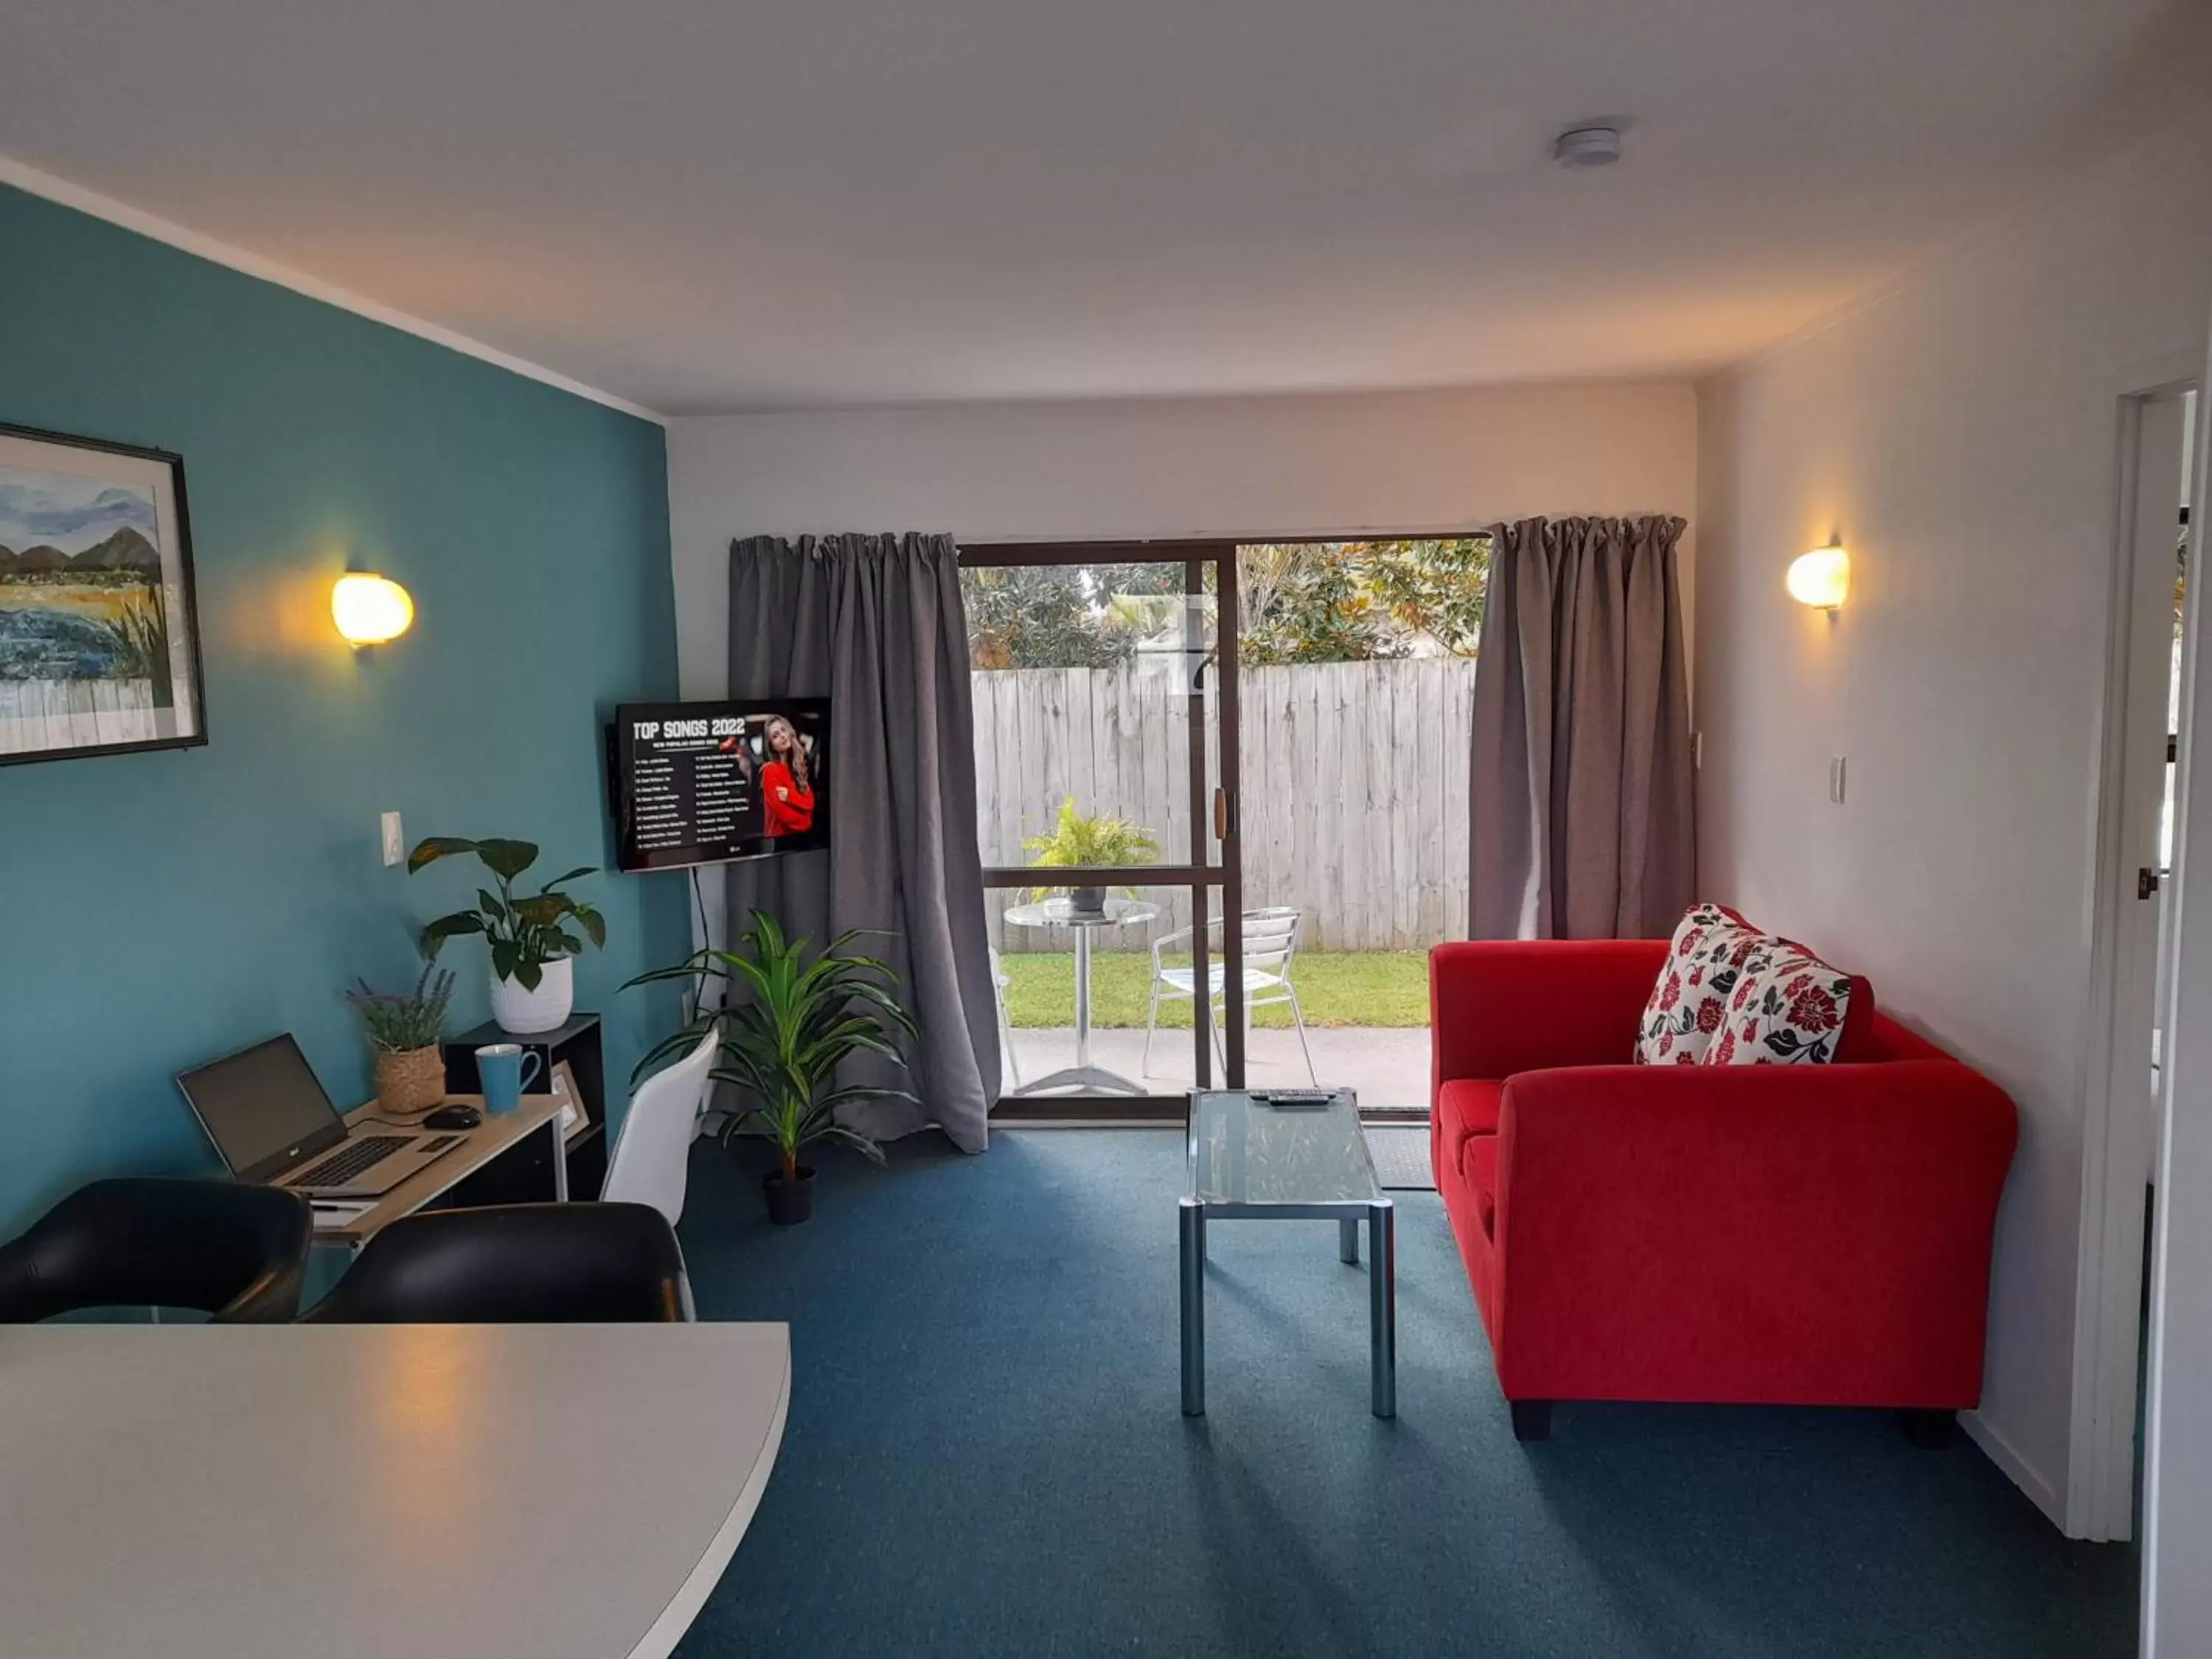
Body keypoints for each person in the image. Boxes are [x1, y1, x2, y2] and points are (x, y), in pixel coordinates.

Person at [759, 714, 815, 835]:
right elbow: (783, 813)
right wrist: (806, 821)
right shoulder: (770, 771)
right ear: (771, 745)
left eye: (783, 730)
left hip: (799, 840)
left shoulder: (796, 769)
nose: (782, 736)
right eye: (775, 736)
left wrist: (790, 796)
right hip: (779, 843)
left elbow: (810, 802)